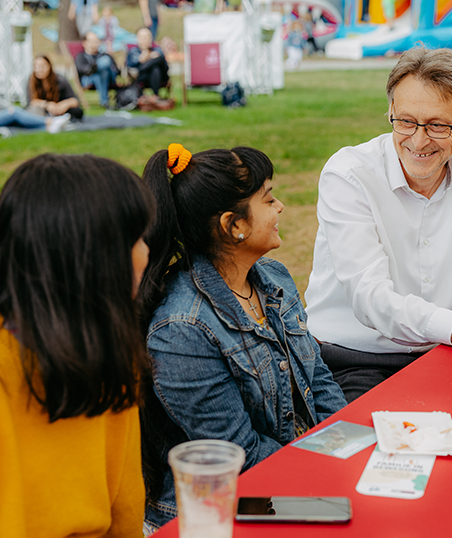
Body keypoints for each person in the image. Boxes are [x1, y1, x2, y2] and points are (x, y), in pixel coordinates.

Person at [0, 153, 153, 537]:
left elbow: (124, 510)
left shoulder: (109, 346)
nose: (146, 252)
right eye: (136, 239)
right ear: (90, 257)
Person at [304, 47, 452, 402]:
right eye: (405, 121)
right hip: (351, 359)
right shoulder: (349, 175)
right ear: (390, 111)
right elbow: (371, 297)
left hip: (443, 349)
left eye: (437, 125)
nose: (418, 141)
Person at [138, 144, 347, 531]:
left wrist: (350, 446)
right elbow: (238, 454)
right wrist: (324, 472)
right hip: (223, 509)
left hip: (294, 475)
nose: (280, 206)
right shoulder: (181, 328)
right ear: (234, 225)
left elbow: (317, 378)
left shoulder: (274, 278)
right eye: (268, 199)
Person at [0, 59, 70, 133]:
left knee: (15, 121)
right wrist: (12, 109)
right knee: (13, 113)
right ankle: (50, 121)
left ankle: (47, 128)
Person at [26, 54, 83, 122]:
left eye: (43, 66)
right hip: (43, 110)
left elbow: (75, 101)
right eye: (36, 67)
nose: (39, 70)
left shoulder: (60, 80)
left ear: (49, 66)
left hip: (60, 110)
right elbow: (31, 101)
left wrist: (64, 104)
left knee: (77, 111)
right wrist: (47, 105)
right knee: (32, 111)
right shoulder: (31, 80)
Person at [76, 31, 120, 108]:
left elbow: (116, 70)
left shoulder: (104, 55)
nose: (94, 44)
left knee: (104, 66)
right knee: (103, 66)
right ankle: (104, 102)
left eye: (96, 41)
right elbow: (81, 69)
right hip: (88, 79)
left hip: (108, 78)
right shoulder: (81, 56)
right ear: (85, 43)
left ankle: (104, 102)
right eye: (91, 41)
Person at [126, 27, 169, 98]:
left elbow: (165, 67)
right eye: (143, 37)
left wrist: (150, 59)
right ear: (137, 38)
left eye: (147, 37)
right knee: (155, 68)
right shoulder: (133, 52)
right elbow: (128, 67)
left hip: (160, 76)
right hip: (142, 77)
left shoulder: (158, 50)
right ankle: (156, 96)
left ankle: (140, 70)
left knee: (157, 62)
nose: (145, 39)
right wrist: (140, 60)